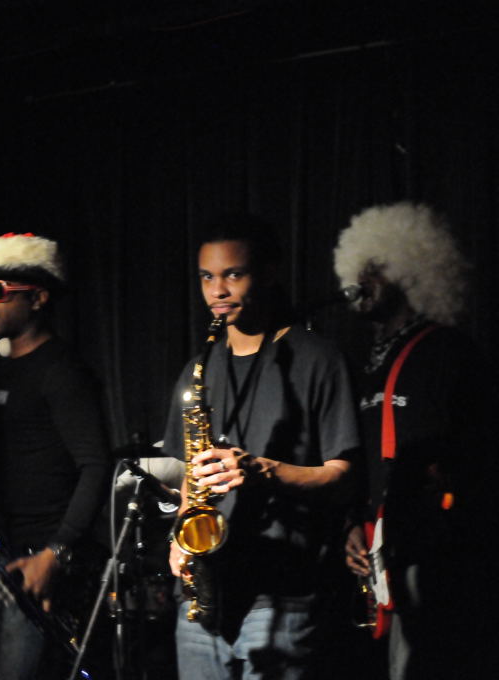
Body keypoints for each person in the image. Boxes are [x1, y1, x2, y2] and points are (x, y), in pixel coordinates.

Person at [163, 216, 361, 680]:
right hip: (205, 592)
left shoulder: (318, 358)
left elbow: (345, 477)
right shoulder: (198, 369)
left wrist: (262, 470)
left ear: (269, 274)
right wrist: (180, 536)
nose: (217, 291)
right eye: (207, 277)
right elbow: (192, 473)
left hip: (283, 592)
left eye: (233, 274)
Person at [335, 202, 496, 679]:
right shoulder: (363, 364)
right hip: (376, 557)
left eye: (376, 267)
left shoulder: (450, 351)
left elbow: (478, 454)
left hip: (435, 559)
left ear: (410, 267)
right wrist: (352, 525)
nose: (362, 278)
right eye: (359, 268)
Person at [0, 232, 111, 680]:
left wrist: (55, 552)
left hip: (40, 564)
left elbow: (96, 466)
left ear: (37, 297)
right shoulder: (6, 369)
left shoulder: (62, 371)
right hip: (2, 560)